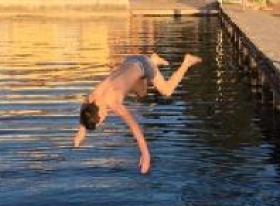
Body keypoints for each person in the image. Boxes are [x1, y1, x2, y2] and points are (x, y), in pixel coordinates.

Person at [73, 52, 202, 174]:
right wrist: (81, 130)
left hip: (144, 65)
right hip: (130, 60)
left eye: (101, 121)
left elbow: (134, 126)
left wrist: (145, 154)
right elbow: (85, 107)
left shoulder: (114, 102)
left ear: (100, 115)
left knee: (167, 91)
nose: (103, 122)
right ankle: (153, 60)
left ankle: (186, 62)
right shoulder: (93, 97)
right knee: (141, 93)